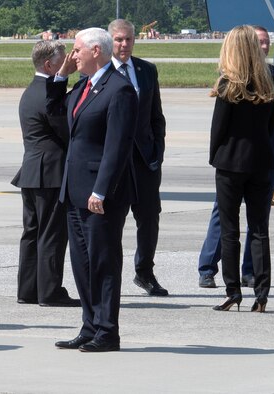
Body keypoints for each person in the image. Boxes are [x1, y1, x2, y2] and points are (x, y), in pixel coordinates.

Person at [50, 28, 138, 351]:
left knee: (103, 261)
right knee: (82, 263)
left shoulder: (119, 90)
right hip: (75, 192)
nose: (73, 56)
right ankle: (89, 325)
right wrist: (61, 75)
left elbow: (117, 147)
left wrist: (100, 191)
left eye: (76, 50)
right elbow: (54, 112)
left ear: (95, 51)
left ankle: (107, 331)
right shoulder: (83, 87)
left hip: (100, 196)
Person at [198, 25, 274, 289]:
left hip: (264, 154)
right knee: (224, 216)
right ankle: (208, 267)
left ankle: (249, 273)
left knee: (258, 220)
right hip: (248, 155)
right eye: (258, 42)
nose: (263, 47)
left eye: (265, 42)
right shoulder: (234, 76)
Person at [209, 25, 274, 313]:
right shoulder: (269, 82)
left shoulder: (228, 85)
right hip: (262, 160)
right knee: (260, 229)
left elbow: (218, 130)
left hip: (230, 163)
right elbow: (272, 124)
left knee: (230, 230)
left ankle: (233, 290)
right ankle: (261, 292)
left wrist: (216, 157)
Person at [11, 40, 80, 307]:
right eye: (63, 60)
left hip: (32, 172)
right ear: (49, 64)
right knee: (52, 233)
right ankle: (49, 291)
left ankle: (28, 289)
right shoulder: (46, 94)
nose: (68, 63)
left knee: (32, 232)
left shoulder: (32, 90)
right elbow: (66, 130)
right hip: (50, 173)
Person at [108, 19, 168, 296]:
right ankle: (110, 275)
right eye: (119, 40)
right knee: (113, 220)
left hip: (145, 160)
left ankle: (145, 272)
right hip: (115, 162)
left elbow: (156, 115)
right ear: (110, 41)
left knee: (149, 217)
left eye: (128, 39)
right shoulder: (100, 72)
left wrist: (158, 151)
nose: (124, 45)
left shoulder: (146, 70)